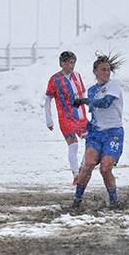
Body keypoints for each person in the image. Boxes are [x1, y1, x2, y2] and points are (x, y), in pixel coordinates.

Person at [70, 53, 125, 210]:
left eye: (108, 70)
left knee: (105, 168)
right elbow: (94, 113)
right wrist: (86, 128)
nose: (107, 72)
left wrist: (84, 101)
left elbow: (106, 103)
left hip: (113, 132)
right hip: (96, 133)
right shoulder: (92, 90)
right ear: (95, 72)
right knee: (87, 165)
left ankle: (114, 202)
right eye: (103, 69)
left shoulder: (114, 85)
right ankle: (76, 201)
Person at [45, 51, 88, 182]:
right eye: (69, 62)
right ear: (62, 63)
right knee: (73, 144)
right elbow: (48, 100)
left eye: (73, 62)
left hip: (80, 116)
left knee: (91, 142)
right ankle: (75, 175)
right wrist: (49, 120)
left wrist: (90, 107)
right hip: (65, 117)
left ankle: (81, 168)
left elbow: (83, 94)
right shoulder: (55, 79)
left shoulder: (77, 76)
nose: (72, 65)